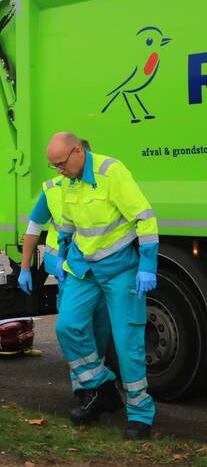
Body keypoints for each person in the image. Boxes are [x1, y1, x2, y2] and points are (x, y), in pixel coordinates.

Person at [47, 132, 157, 439]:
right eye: (53, 166)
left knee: (127, 344)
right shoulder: (68, 181)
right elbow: (67, 226)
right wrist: (63, 258)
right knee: (67, 327)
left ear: (77, 151)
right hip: (83, 267)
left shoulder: (112, 172)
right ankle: (102, 386)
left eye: (61, 163)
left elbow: (145, 218)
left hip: (120, 268)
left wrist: (148, 265)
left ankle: (139, 413)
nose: (59, 171)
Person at [19, 141, 112, 395]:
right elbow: (33, 229)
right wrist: (25, 267)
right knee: (76, 326)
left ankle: (95, 377)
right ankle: (82, 386)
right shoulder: (53, 189)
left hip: (95, 265)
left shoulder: (103, 182)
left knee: (98, 325)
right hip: (68, 269)